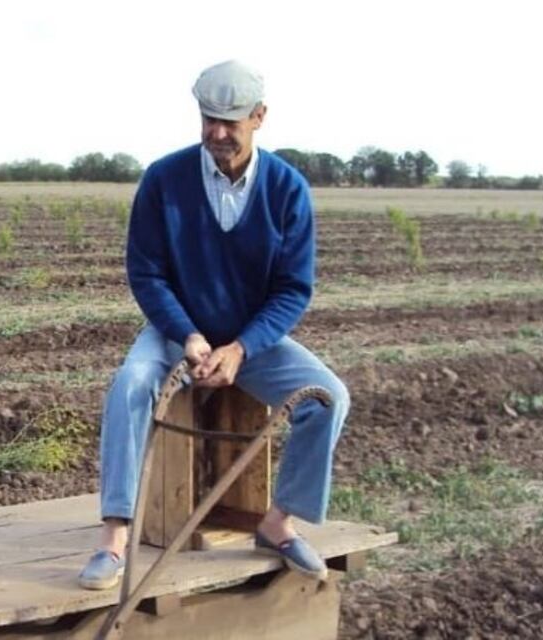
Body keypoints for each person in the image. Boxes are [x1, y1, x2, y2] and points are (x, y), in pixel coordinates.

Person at [77, 60, 350, 590]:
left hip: (252, 341)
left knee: (327, 398)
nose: (218, 133)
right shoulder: (164, 179)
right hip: (175, 333)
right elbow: (147, 273)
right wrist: (188, 335)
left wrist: (242, 348)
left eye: (231, 122)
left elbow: (293, 288)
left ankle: (278, 523)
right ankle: (113, 538)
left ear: (259, 117)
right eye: (209, 120)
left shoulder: (287, 189)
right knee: (130, 384)